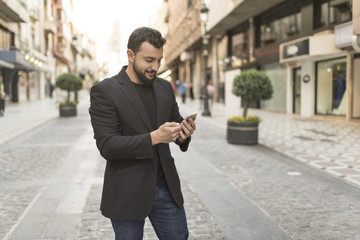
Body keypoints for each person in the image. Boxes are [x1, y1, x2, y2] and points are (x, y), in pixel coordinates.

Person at [89, 27, 196, 240]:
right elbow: (108, 145)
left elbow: (174, 124)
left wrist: (183, 133)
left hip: (166, 187)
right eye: (149, 60)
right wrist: (154, 137)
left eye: (159, 60)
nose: (155, 67)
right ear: (130, 55)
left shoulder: (165, 87)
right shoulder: (105, 90)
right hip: (127, 191)